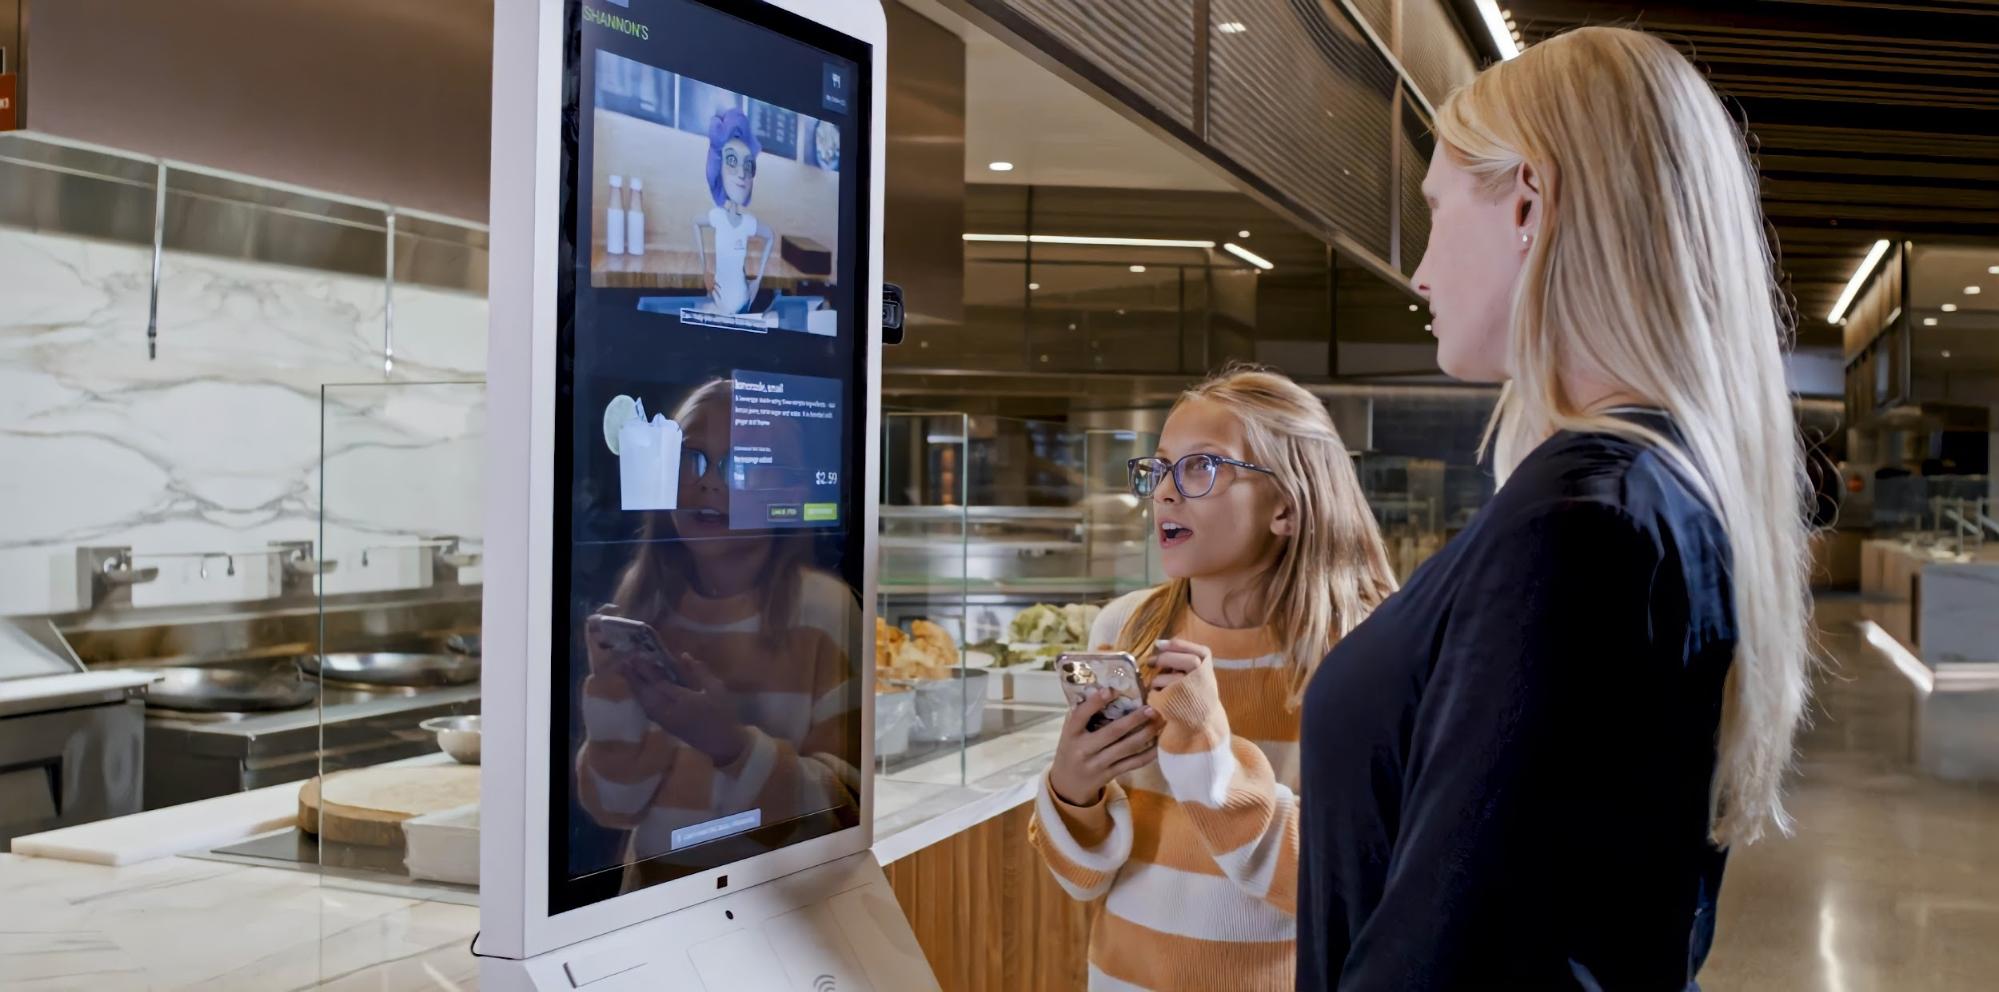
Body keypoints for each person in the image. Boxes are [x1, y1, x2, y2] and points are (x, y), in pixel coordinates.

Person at [1295, 26, 1813, 990]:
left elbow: (1453, 958)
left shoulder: (1579, 518)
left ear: (1528, 201)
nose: (1418, 273)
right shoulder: (1658, 487)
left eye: (1438, 212)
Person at [1029, 367, 1398, 991]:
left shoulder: (1364, 651)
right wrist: (1072, 790)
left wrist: (1206, 751)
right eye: (1162, 467)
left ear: (1286, 505)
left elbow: (1347, 885)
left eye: (1201, 468)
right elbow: (1082, 879)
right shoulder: (1127, 628)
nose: (1165, 494)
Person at [574, 378, 861, 890]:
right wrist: (612, 698)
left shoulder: (823, 611)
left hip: (785, 909)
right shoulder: (644, 602)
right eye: (692, 459)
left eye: (741, 465)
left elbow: (840, 815)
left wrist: (729, 744)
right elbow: (614, 806)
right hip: (651, 906)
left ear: (792, 495)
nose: (708, 483)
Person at [694, 108, 777, 315]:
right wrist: (705, 270)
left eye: (748, 166)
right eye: (732, 161)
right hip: (719, 301)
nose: (742, 174)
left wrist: (757, 281)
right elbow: (695, 223)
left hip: (743, 302)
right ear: (718, 167)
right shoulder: (717, 217)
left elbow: (771, 236)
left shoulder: (748, 222)